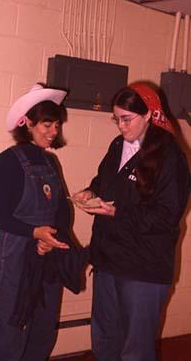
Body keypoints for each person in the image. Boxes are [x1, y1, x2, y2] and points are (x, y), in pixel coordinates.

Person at [72, 82, 191, 361]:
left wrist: (117, 213)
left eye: (127, 119)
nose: (121, 126)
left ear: (149, 114)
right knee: (104, 342)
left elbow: (166, 215)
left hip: (142, 268)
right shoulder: (118, 145)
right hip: (109, 259)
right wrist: (91, 191)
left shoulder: (170, 157)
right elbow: (105, 181)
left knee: (135, 350)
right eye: (117, 119)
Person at [0, 84, 88, 361]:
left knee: (43, 329)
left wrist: (52, 238)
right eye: (47, 124)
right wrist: (35, 233)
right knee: (9, 332)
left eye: (57, 125)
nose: (53, 132)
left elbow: (61, 209)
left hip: (46, 255)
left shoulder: (50, 162)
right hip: (15, 255)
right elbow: (0, 216)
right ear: (27, 122)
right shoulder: (7, 162)